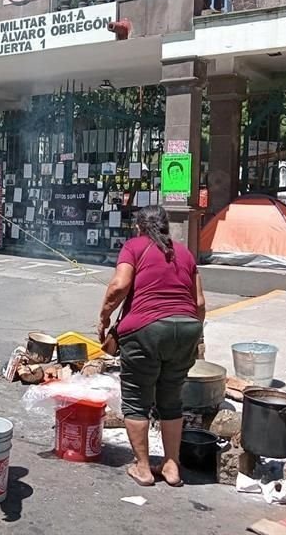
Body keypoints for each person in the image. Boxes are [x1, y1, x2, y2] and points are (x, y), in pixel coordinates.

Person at [96, 205, 206, 488]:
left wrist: (104, 317)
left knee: (136, 399)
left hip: (146, 330)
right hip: (187, 328)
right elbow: (200, 303)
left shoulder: (134, 247)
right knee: (171, 399)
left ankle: (143, 467)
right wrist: (198, 338)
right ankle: (171, 466)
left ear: (138, 227)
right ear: (166, 226)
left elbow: (119, 286)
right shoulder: (184, 252)